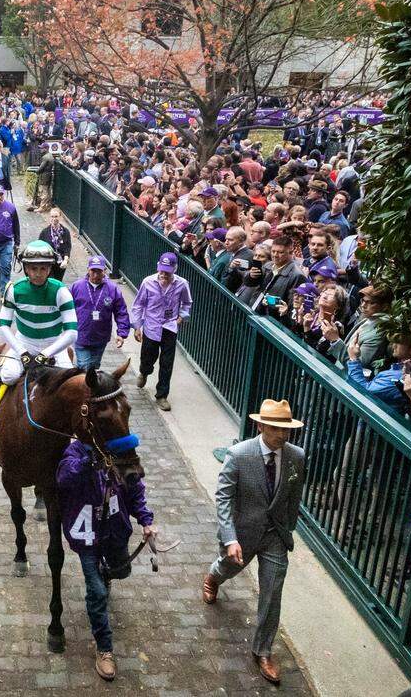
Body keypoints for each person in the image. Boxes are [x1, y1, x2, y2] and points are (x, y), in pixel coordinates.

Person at [202, 399, 306, 686]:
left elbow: (294, 496)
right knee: (228, 567)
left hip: (275, 536)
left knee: (272, 592)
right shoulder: (238, 454)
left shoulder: (297, 456)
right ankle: (213, 576)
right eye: (275, 429)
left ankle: (263, 651)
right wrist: (230, 538)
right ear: (260, 426)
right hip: (244, 533)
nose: (282, 436)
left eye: (286, 429)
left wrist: (288, 527)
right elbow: (223, 498)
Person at [56, 433, 156, 681]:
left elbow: (135, 492)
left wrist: (146, 521)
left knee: (121, 571)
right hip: (88, 535)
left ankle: (106, 576)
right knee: (97, 593)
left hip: (114, 531)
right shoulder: (75, 453)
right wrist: (91, 462)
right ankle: (105, 649)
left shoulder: (122, 454)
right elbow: (64, 478)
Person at [0, 240, 78, 416]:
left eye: (43, 268)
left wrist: (46, 354)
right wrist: (21, 351)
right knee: (8, 375)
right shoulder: (14, 290)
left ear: (49, 269)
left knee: (70, 381)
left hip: (53, 345)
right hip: (24, 342)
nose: (38, 274)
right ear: (26, 269)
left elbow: (71, 333)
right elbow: (3, 326)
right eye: (33, 269)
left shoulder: (61, 291)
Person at [130, 252, 193, 411]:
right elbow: (138, 305)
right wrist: (137, 326)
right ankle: (144, 372)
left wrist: (182, 317)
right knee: (147, 357)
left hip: (170, 327)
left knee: (167, 363)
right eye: (161, 270)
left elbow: (187, 303)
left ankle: (162, 395)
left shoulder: (182, 284)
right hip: (151, 327)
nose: (163, 274)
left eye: (167, 271)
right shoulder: (148, 282)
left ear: (175, 269)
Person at [69, 256, 130, 370]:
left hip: (100, 337)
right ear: (88, 270)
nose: (96, 275)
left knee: (94, 366)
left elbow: (121, 311)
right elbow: (67, 309)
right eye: (93, 271)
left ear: (104, 271)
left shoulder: (112, 289)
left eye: (99, 271)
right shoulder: (77, 286)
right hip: (81, 335)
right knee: (84, 367)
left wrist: (122, 334)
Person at [38, 207, 72, 282]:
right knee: (50, 281)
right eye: (52, 216)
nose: (54, 218)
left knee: (58, 282)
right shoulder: (45, 232)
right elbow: (39, 247)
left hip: (60, 262)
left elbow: (68, 248)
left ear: (60, 217)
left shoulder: (65, 232)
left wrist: (66, 260)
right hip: (49, 262)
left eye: (56, 216)